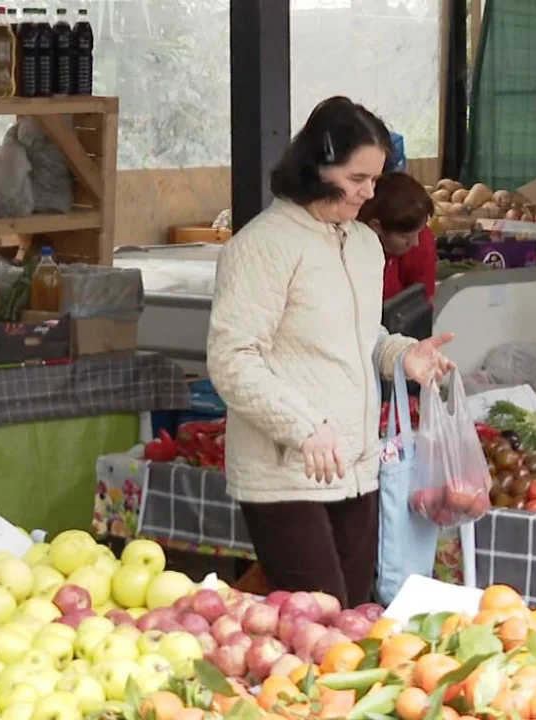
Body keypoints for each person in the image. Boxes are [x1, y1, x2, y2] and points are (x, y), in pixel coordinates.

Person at [206, 97, 455, 608]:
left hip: (356, 466)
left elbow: (364, 336)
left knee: (354, 621)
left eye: (375, 180)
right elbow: (232, 358)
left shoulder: (363, 244)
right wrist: (302, 426)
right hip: (286, 472)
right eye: (357, 177)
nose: (369, 192)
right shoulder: (263, 246)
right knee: (317, 624)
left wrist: (402, 356)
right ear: (318, 166)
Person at [358, 171, 438, 302]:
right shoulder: (351, 252)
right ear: (376, 227)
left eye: (420, 230)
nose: (414, 242)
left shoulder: (422, 242)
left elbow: (422, 303)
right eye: (404, 237)